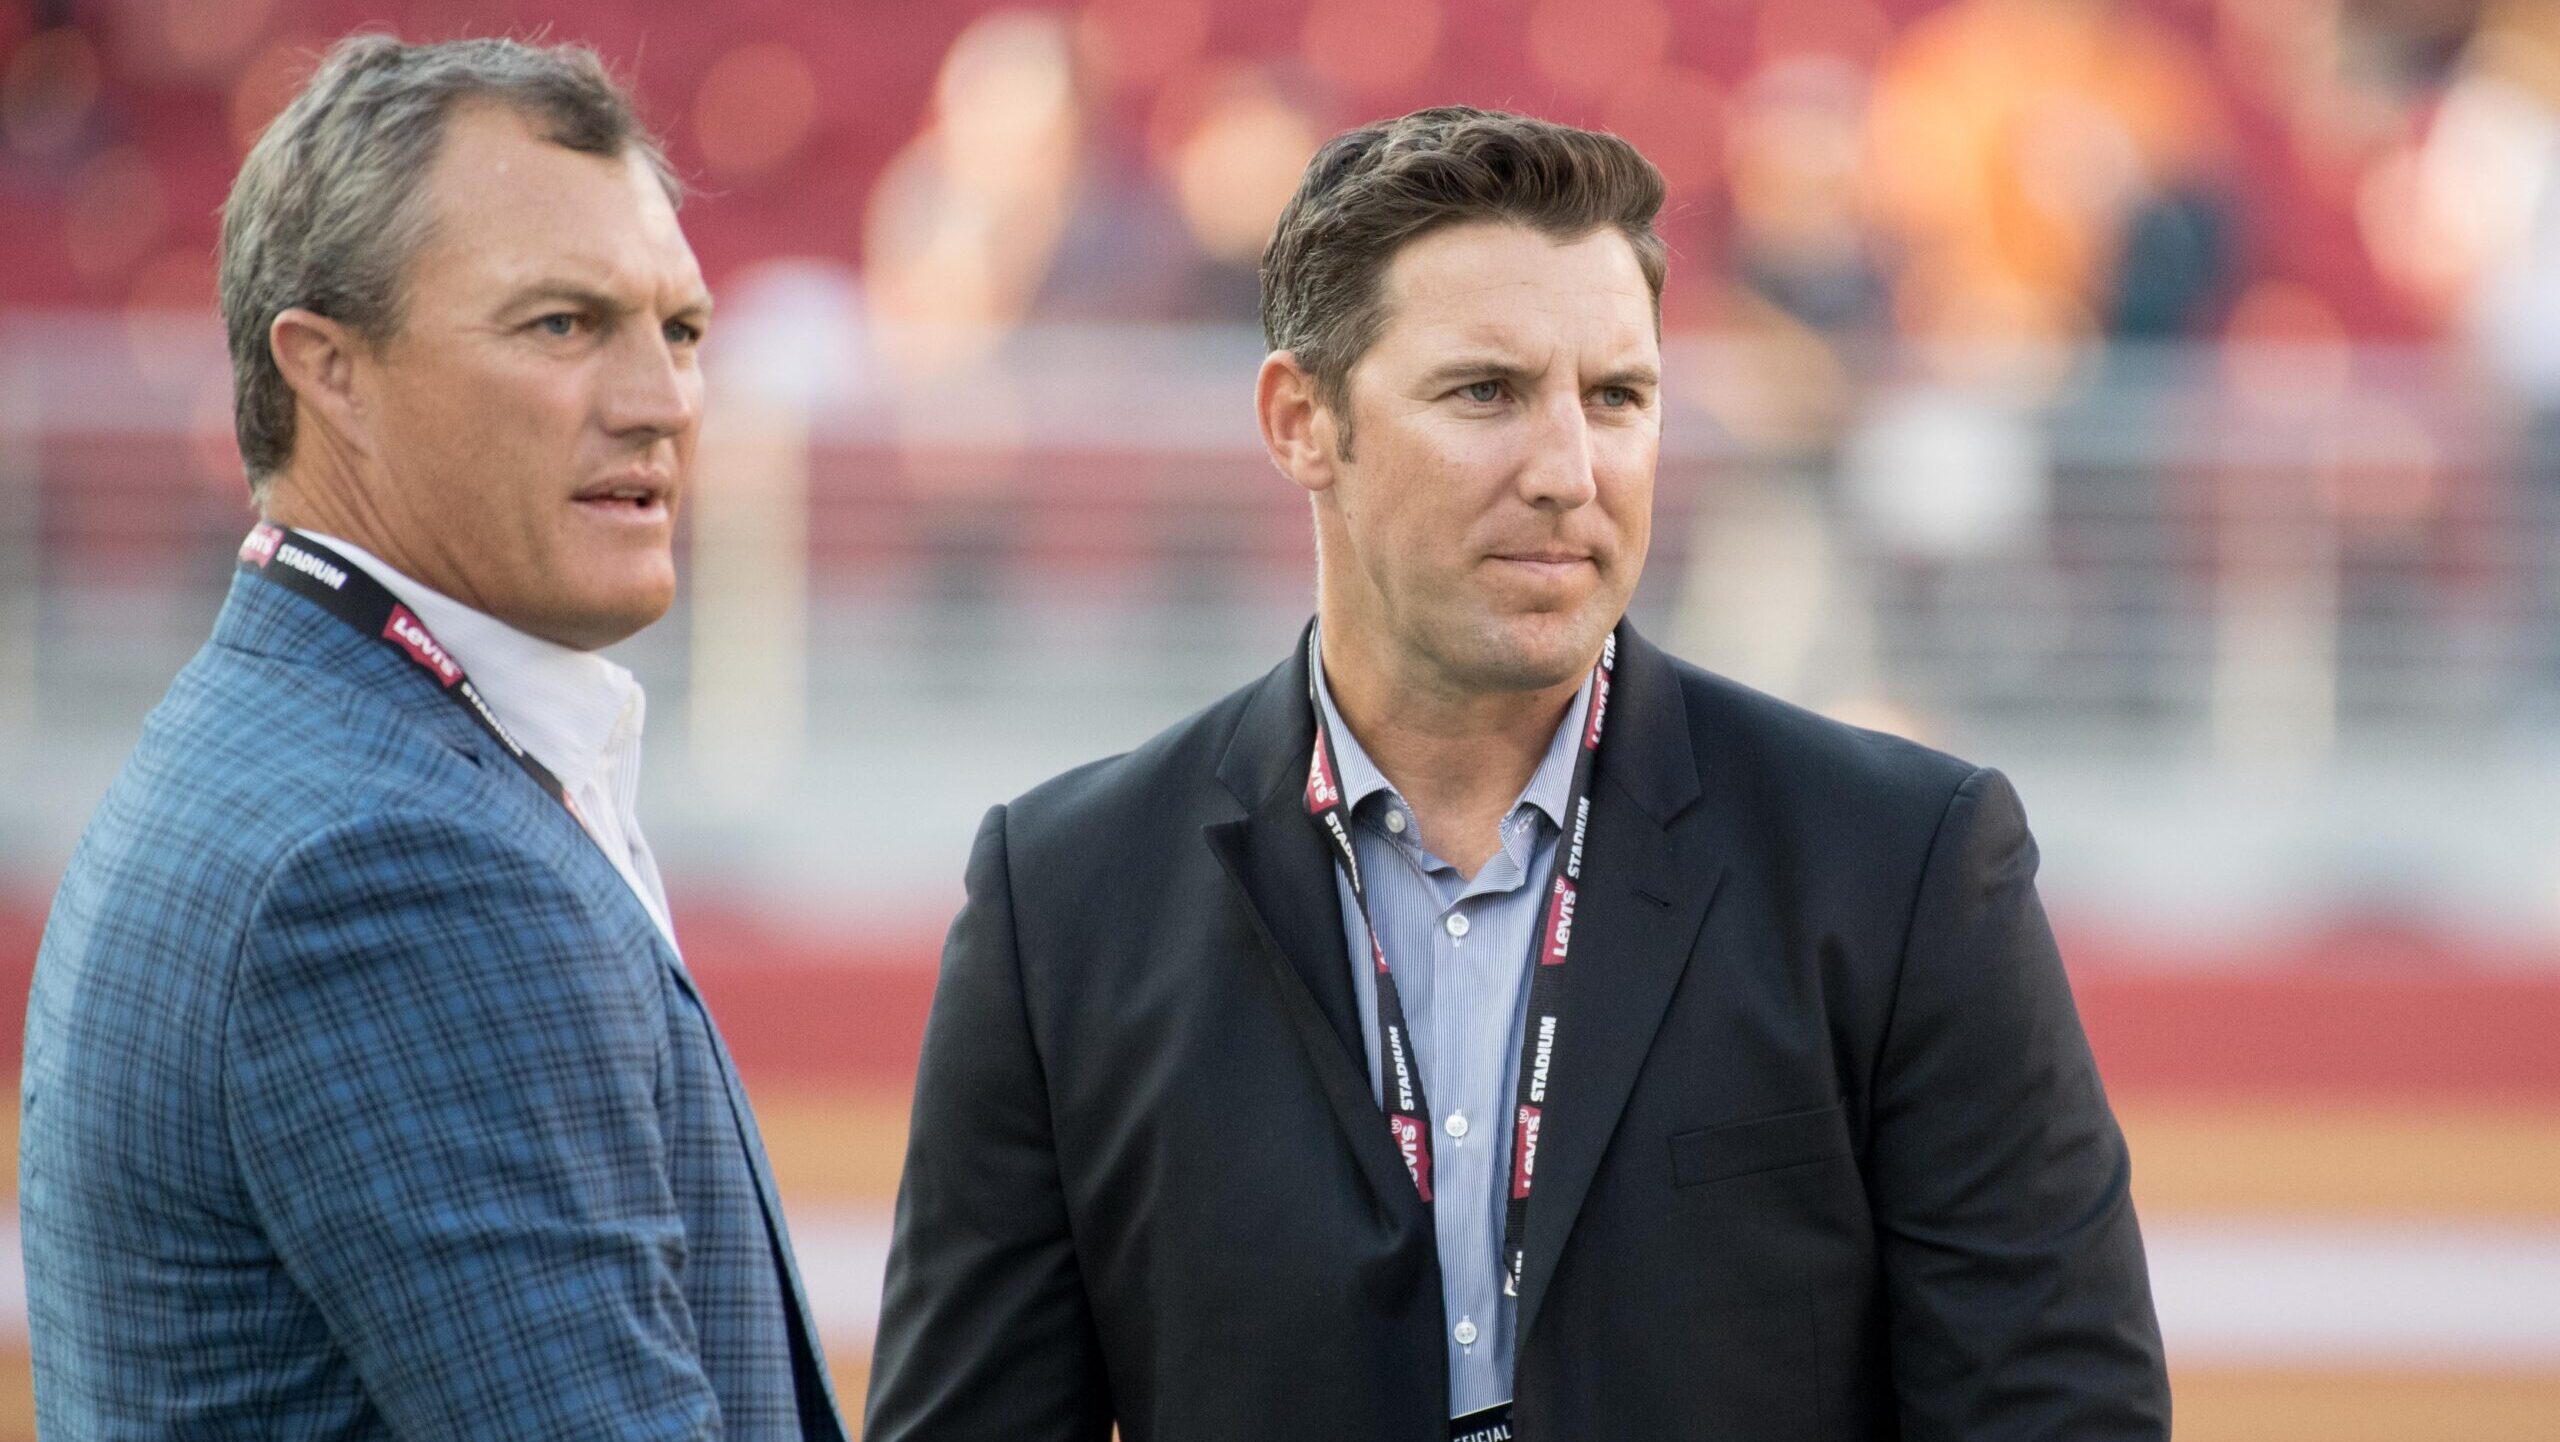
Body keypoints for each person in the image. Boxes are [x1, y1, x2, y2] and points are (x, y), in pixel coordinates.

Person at [865, 107, 2169, 1440]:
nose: (1568, 470)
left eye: (1618, 397)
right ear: (1301, 421)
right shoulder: (1063, 901)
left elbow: (2059, 1413)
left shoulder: (1904, 865)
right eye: (1485, 390)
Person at [19, 36, 843, 1440]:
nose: (660, 403)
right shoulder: (391, 859)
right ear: (329, 369)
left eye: (682, 330)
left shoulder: (297, 739)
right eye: (562, 326)